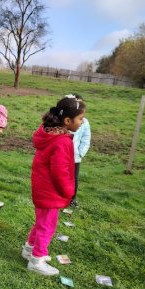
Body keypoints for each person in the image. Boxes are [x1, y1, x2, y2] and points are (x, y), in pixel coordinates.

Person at [22, 95, 85, 276]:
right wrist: (69, 191)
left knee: (41, 222)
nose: (82, 122)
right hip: (51, 192)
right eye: (80, 119)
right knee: (47, 226)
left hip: (42, 189)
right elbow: (60, 171)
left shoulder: (49, 135)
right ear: (67, 121)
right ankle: (37, 260)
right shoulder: (62, 142)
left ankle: (29, 250)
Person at [70, 94, 91, 208]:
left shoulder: (84, 122)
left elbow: (86, 138)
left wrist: (80, 152)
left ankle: (72, 198)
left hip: (75, 157)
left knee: (74, 178)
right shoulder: (64, 120)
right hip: (62, 156)